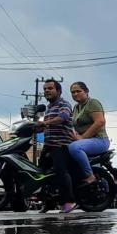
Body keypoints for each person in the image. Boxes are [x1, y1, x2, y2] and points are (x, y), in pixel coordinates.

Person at [40, 79, 77, 213]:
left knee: (61, 172)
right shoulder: (49, 108)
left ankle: (69, 201)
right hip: (48, 145)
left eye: (50, 88)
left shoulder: (64, 104)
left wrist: (44, 123)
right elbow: (46, 125)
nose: (47, 91)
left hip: (61, 144)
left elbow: (63, 117)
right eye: (45, 89)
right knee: (43, 174)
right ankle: (49, 202)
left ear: (59, 91)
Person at [68, 82, 110, 187]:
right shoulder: (76, 107)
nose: (75, 94)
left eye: (78, 91)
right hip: (86, 142)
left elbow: (100, 122)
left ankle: (90, 175)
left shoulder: (92, 103)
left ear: (86, 91)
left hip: (99, 140)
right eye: (73, 92)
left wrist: (81, 138)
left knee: (74, 147)